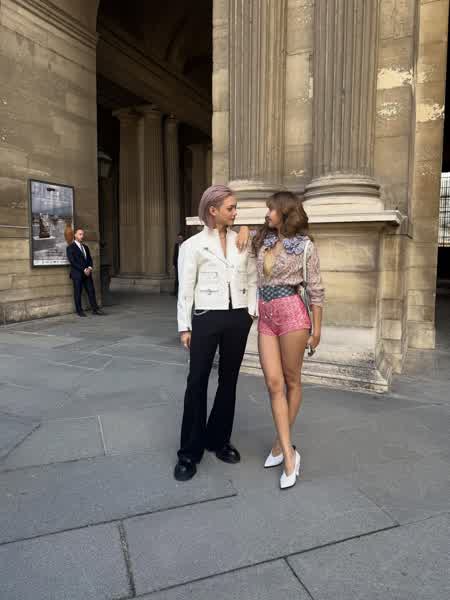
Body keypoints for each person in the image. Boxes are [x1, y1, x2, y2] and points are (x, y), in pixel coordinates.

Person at [239, 192, 324, 489]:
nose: (267, 214)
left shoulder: (305, 246)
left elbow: (316, 290)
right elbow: (240, 235)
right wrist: (243, 228)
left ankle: (286, 453)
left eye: (272, 209)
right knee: (273, 384)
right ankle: (285, 447)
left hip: (292, 315)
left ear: (286, 213)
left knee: (292, 381)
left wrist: (317, 331)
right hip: (265, 317)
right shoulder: (262, 240)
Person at [174, 185, 257, 482]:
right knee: (196, 381)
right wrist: (184, 326)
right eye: (230, 208)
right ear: (213, 210)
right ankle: (189, 452)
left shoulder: (242, 240)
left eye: (235, 208)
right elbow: (186, 288)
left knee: (229, 380)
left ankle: (219, 440)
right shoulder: (192, 245)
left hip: (238, 317)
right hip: (205, 317)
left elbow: (253, 277)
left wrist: (251, 311)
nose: (235, 213)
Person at [66, 228, 105, 317]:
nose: (82, 236)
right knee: (78, 292)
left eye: (82, 234)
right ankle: (79, 311)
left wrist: (90, 268)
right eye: (80, 234)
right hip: (77, 274)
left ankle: (95, 309)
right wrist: (84, 269)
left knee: (91, 291)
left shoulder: (85, 247)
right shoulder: (70, 247)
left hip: (87, 274)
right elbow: (73, 262)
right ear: (75, 235)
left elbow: (90, 259)